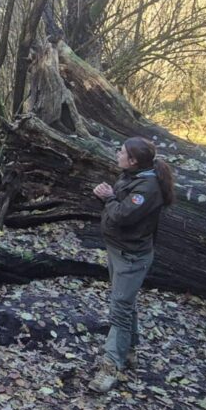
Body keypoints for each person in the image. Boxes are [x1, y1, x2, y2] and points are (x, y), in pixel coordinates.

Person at [88, 136, 175, 393]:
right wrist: (108, 196)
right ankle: (130, 351)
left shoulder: (148, 188)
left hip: (131, 257)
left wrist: (108, 198)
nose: (117, 153)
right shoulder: (132, 175)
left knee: (121, 309)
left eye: (122, 151)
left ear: (134, 160)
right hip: (119, 250)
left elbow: (123, 215)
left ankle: (110, 366)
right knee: (126, 302)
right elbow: (119, 208)